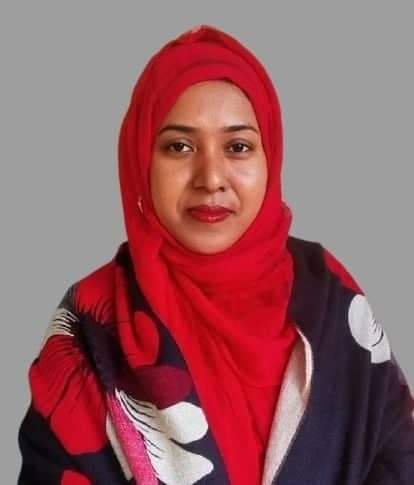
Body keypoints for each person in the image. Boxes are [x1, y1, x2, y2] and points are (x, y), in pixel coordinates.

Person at [17, 24, 414, 485]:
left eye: (238, 147)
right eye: (179, 147)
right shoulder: (91, 323)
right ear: (141, 161)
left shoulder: (329, 295)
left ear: (270, 158)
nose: (211, 177)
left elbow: (399, 452)